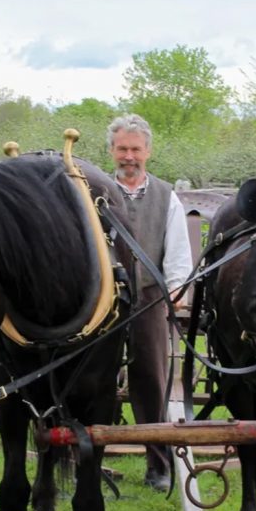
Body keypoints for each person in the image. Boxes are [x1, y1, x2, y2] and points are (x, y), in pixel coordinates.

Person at [107, 114, 193, 491]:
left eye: (135, 149)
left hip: (147, 299)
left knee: (152, 381)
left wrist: (175, 291)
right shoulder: (96, 191)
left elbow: (176, 251)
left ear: (148, 152)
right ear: (112, 151)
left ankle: (158, 464)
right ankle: (87, 458)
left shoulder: (165, 196)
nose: (129, 156)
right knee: (93, 379)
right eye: (123, 148)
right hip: (103, 301)